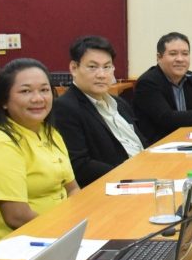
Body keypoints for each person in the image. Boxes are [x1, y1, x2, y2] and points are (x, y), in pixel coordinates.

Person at [0, 59, 78, 242]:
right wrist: (65, 235)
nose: (38, 98)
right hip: (21, 245)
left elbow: (72, 188)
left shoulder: (49, 133)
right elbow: (17, 216)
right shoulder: (1, 145)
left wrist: (80, 222)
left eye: (44, 90)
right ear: (4, 101)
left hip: (59, 233)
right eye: (25, 91)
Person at [52, 35, 148, 187]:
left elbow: (141, 143)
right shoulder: (65, 108)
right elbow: (79, 165)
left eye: (107, 67)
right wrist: (129, 174)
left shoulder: (119, 103)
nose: (101, 75)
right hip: (115, 186)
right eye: (92, 67)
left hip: (146, 173)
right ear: (74, 68)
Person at [134, 32, 192, 143]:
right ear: (159, 57)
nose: (180, 59)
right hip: (160, 145)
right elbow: (167, 118)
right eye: (173, 54)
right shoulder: (147, 83)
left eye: (185, 54)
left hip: (188, 140)